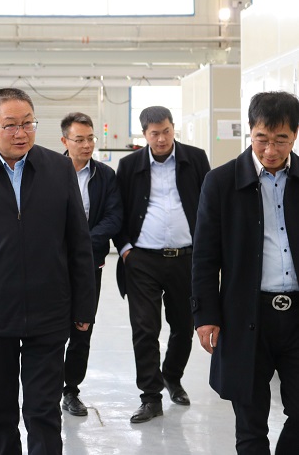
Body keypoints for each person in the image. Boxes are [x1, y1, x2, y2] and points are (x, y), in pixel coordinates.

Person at [0, 88, 96, 454]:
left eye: (28, 123)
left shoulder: (58, 169)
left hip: (49, 312)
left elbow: (78, 242)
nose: (21, 133)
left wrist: (84, 306)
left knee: (44, 413)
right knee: (0, 414)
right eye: (10, 125)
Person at [192, 91, 299, 454]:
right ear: (250, 131)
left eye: (281, 140)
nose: (270, 150)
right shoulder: (221, 182)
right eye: (261, 139)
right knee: (251, 423)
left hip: (297, 316)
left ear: (295, 135)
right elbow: (205, 256)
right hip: (246, 316)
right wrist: (205, 315)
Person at [114, 105, 210, 423]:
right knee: (145, 328)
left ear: (173, 128)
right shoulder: (129, 165)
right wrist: (125, 250)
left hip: (186, 258)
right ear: (144, 134)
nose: (161, 138)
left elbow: (209, 205)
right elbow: (118, 209)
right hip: (142, 259)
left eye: (166, 131)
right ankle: (150, 397)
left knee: (183, 326)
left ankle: (171, 375)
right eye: (154, 133)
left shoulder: (195, 158)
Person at [59, 112, 122, 417]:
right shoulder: (48, 171)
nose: (86, 145)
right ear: (65, 141)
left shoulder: (105, 175)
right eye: (79, 139)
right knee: (51, 329)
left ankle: (71, 390)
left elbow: (114, 217)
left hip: (89, 266)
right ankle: (45, 388)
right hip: (53, 265)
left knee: (82, 328)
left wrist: (83, 244)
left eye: (90, 139)